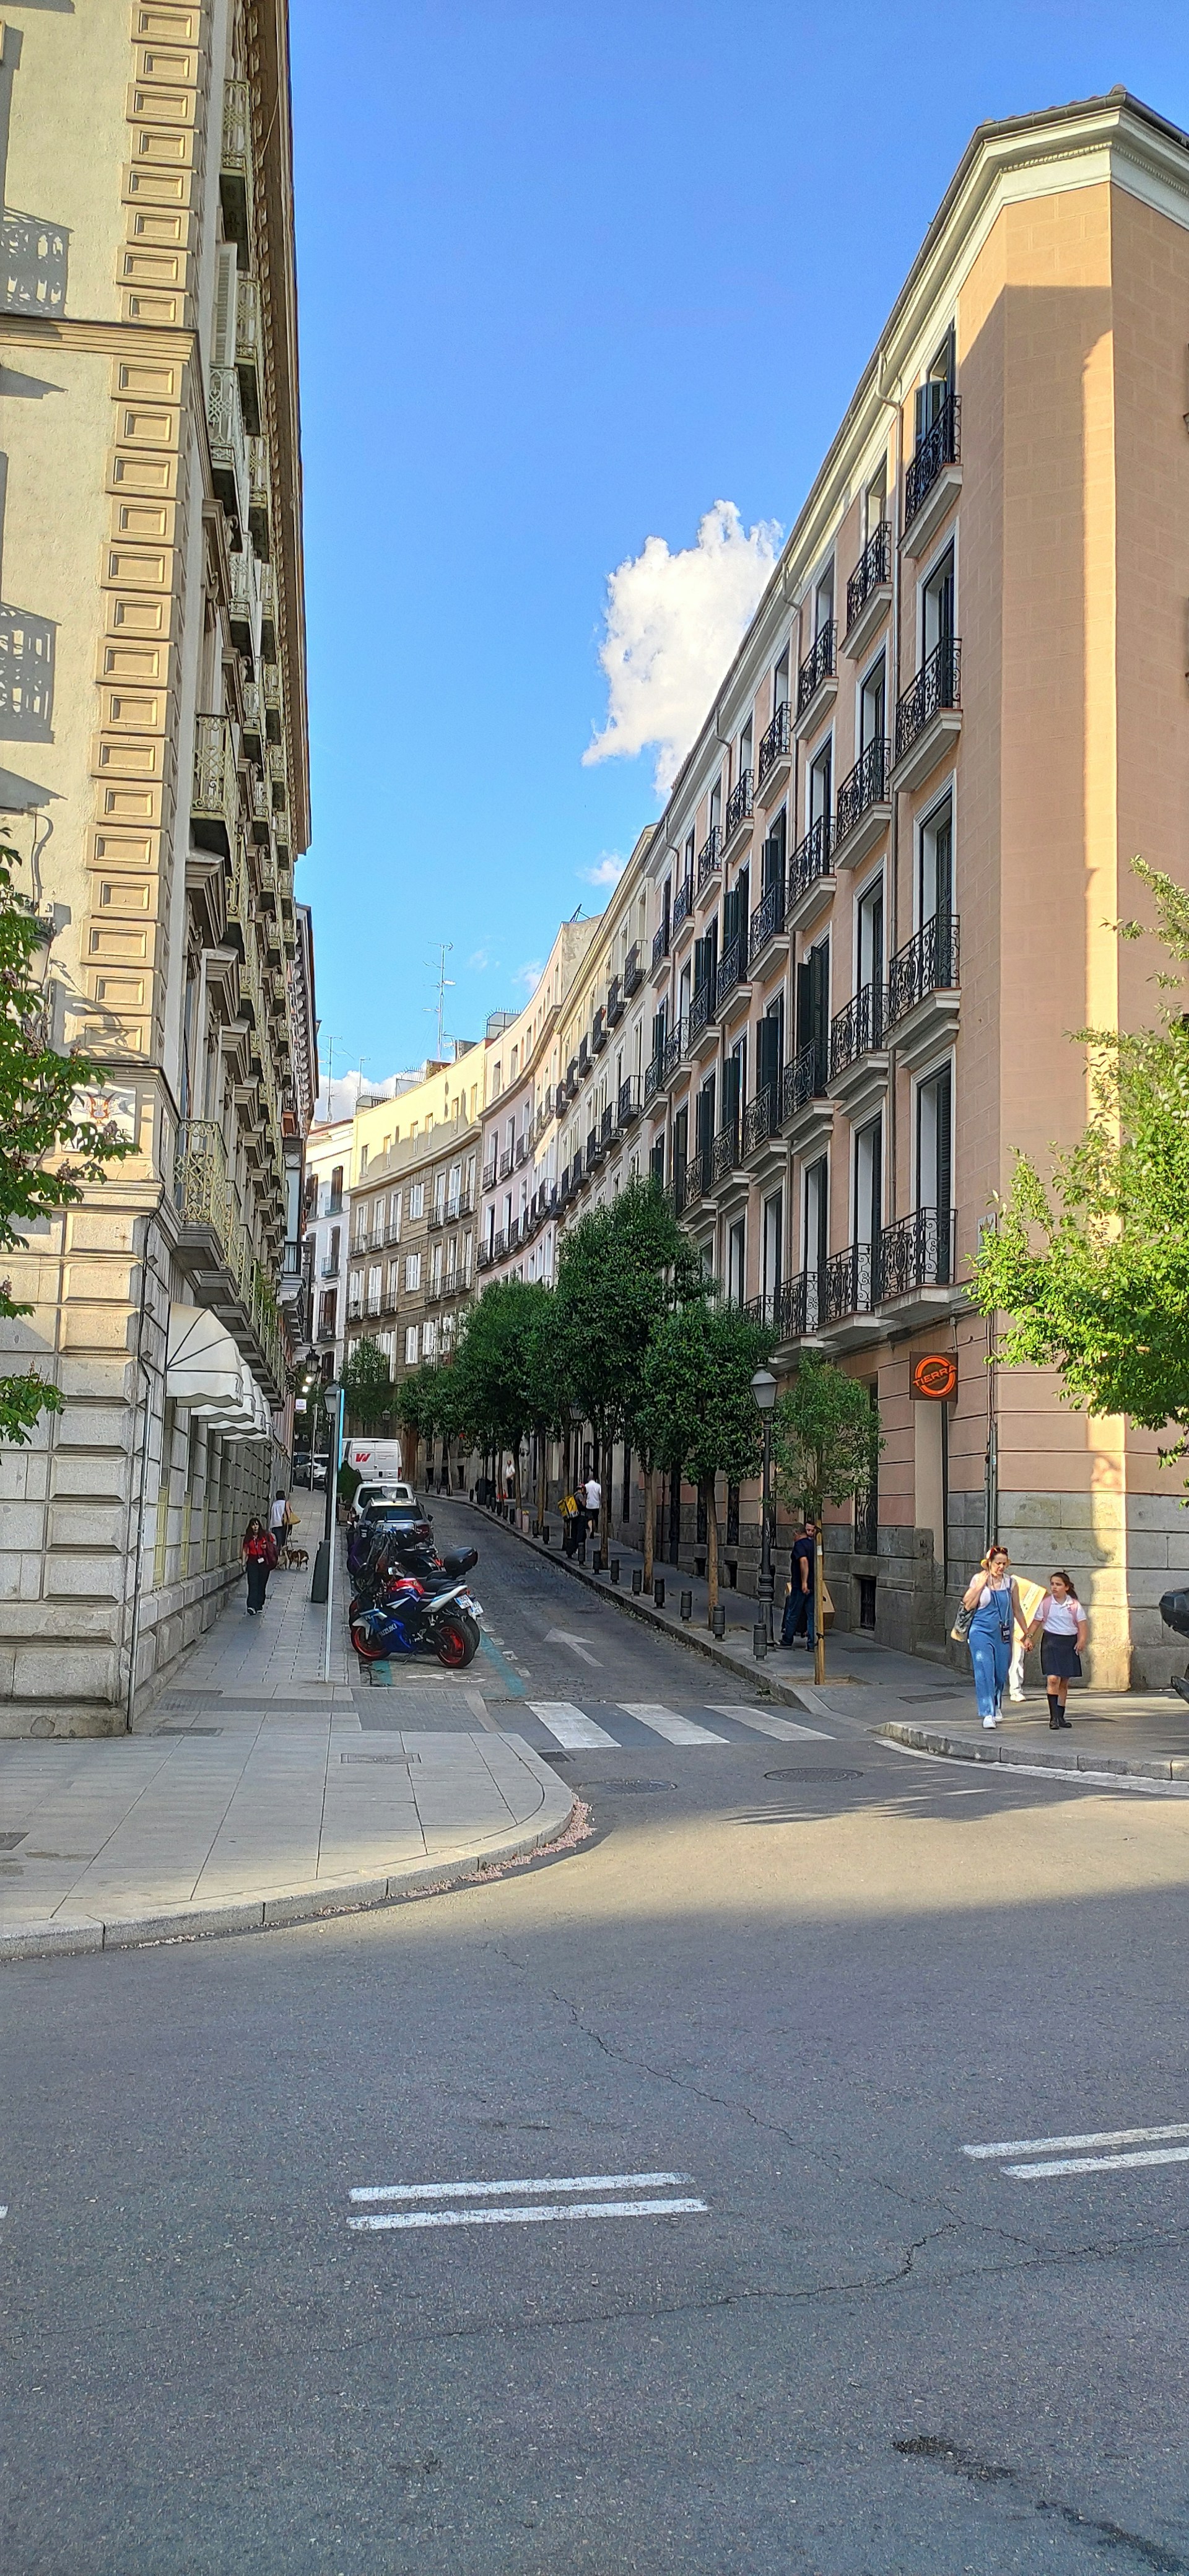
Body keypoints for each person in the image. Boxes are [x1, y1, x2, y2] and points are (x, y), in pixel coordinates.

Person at [960, 1546, 1029, 1729]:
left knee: (1000, 1673)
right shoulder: (978, 1579)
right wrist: (980, 1586)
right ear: (989, 1564)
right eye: (998, 1563)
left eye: (1004, 1563)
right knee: (985, 1671)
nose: (1001, 1567)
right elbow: (967, 1604)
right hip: (980, 1631)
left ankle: (997, 1704)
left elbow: (1017, 1610)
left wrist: (1026, 1634)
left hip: (1003, 1633)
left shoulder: (1011, 1583)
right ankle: (987, 1712)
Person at [1025, 1572, 1088, 1728]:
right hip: (1051, 1642)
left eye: (1058, 1584)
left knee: (1064, 1682)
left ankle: (1061, 1716)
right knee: (1053, 1678)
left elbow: (1082, 1625)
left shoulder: (1074, 1605)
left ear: (1066, 1587)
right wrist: (1029, 1637)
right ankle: (1053, 1718)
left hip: (1068, 1642)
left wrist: (1081, 1640)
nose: (1054, 1587)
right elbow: (1036, 1622)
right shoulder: (1046, 1603)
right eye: (1052, 1584)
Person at [1008, 1570, 1048, 1702]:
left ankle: (1016, 1689)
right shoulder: (984, 1582)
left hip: (1016, 1625)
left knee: (1017, 1657)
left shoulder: (1013, 1581)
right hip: (997, 1625)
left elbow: (1037, 1593)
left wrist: (1027, 1634)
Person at [782, 1520, 817, 1648]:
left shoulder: (799, 1545)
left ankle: (787, 1639)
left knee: (793, 1613)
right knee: (811, 1615)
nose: (793, 1538)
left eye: (793, 1535)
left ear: (797, 1533)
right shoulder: (812, 1544)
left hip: (801, 1586)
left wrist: (804, 1583)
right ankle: (812, 1644)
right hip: (813, 1585)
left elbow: (804, 1562)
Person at [242, 1515, 272, 1616]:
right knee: (253, 1583)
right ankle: (251, 1605)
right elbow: (245, 1550)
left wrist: (266, 1546)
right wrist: (243, 1563)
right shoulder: (248, 1538)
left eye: (257, 1525)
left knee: (261, 1584)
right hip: (252, 1562)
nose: (255, 1527)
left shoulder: (264, 1536)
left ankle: (259, 1604)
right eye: (253, 1525)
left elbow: (272, 1545)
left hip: (264, 1563)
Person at [583, 1471, 602, 1552]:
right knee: (595, 1518)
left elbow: (585, 1495)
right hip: (596, 1505)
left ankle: (591, 1529)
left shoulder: (586, 1486)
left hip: (589, 1505)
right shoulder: (598, 1486)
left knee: (589, 1518)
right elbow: (601, 1495)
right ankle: (593, 1530)